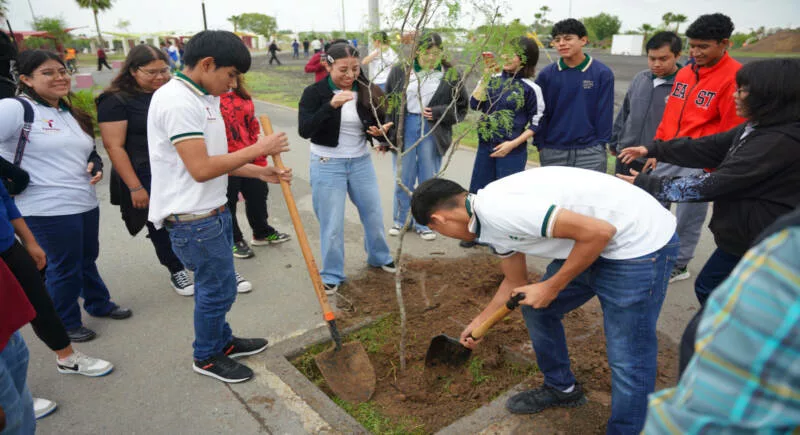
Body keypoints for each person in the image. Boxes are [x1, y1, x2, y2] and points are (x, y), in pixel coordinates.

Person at [410, 169, 678, 434]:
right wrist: (480, 323)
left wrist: (552, 286)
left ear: (438, 220)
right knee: (537, 310)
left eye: (439, 231)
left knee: (628, 354)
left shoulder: (501, 210)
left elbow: (600, 232)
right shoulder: (485, 222)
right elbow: (514, 282)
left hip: (636, 244)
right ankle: (562, 388)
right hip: (593, 242)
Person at [146, 30, 291, 383]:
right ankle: (207, 355)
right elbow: (201, 169)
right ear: (207, 64)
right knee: (216, 291)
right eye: (231, 74)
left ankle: (222, 341)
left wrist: (260, 171)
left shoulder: (205, 98)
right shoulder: (177, 102)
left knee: (221, 287)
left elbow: (216, 159)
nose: (233, 84)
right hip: (193, 219)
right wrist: (260, 148)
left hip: (213, 211)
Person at [617, 58, 800, 306]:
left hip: (764, 239)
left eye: (743, 91)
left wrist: (649, 184)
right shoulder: (757, 128)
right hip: (747, 237)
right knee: (718, 289)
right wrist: (653, 149)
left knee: (714, 289)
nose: (735, 96)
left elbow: (715, 183)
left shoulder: (777, 142)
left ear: (772, 96)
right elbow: (708, 147)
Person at [0, 50, 131, 343]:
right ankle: (66, 322)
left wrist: (95, 162)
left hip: (83, 201)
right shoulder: (15, 108)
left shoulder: (66, 110)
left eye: (62, 71)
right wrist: (15, 176)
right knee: (63, 267)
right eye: (48, 73)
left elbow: (87, 149)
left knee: (86, 258)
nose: (59, 77)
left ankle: (98, 302)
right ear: (26, 79)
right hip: (45, 207)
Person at [643, 204, 800, 433]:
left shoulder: (789, 257)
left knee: (707, 286)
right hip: (744, 233)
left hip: (747, 235)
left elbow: (710, 420)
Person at [1, 179, 114, 421]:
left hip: (7, 246)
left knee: (40, 304)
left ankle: (67, 357)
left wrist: (30, 241)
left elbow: (5, 201)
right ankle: (10, 402)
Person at [646, 13, 745, 284]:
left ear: (724, 43)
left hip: (700, 158)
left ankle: (679, 263)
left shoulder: (734, 76)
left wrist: (714, 167)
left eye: (703, 46)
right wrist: (657, 149)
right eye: (692, 45)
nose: (695, 52)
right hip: (670, 151)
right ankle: (650, 253)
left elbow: (731, 129)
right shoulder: (686, 72)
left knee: (689, 215)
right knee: (654, 205)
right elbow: (670, 114)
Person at [96, 44, 197, 296]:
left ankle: (197, 263)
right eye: (151, 72)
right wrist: (135, 187)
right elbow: (114, 146)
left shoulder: (170, 94)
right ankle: (175, 269)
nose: (160, 77)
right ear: (133, 70)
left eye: (164, 70)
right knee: (159, 223)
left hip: (177, 169)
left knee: (189, 217)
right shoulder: (115, 100)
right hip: (144, 173)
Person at [297, 42, 396, 295]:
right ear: (328, 66)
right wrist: (330, 106)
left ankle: (379, 257)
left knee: (373, 214)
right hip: (327, 163)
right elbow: (305, 130)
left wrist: (381, 134)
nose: (350, 75)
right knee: (331, 223)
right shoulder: (315, 93)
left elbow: (382, 122)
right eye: (343, 70)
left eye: (355, 68)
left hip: (360, 162)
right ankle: (332, 273)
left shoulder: (366, 90)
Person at [384, 32, 469, 241]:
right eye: (427, 53)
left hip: (432, 129)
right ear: (416, 51)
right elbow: (389, 103)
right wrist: (387, 134)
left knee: (428, 179)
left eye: (436, 53)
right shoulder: (401, 70)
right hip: (406, 126)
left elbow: (461, 106)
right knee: (403, 177)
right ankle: (401, 220)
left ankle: (425, 223)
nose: (432, 57)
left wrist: (440, 112)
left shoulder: (450, 74)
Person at [463, 36, 543, 248]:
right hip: (486, 146)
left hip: (511, 151)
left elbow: (537, 122)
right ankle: (477, 233)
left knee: (506, 196)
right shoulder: (493, 79)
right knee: (479, 190)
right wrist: (485, 77)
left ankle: (502, 240)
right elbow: (475, 104)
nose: (506, 57)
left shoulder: (530, 88)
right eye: (505, 52)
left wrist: (512, 144)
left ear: (525, 59)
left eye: (513, 54)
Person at [221, 74, 291, 260]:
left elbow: (251, 125)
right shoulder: (210, 98)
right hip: (227, 159)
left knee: (258, 194)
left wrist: (260, 153)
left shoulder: (242, 95)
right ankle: (234, 239)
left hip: (251, 155)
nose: (233, 79)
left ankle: (261, 232)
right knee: (228, 201)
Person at [534, 19, 614, 172]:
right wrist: (540, 145)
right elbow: (540, 113)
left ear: (583, 40)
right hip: (553, 151)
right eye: (557, 40)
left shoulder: (602, 73)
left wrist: (600, 144)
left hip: (590, 152)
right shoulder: (546, 75)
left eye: (568, 38)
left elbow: (604, 112)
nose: (562, 43)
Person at [610, 32, 682, 176]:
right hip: (626, 153)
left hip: (656, 160)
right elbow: (625, 112)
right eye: (652, 58)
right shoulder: (640, 78)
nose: (656, 64)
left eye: (663, 59)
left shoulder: (684, 85)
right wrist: (615, 141)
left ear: (677, 55)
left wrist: (661, 153)